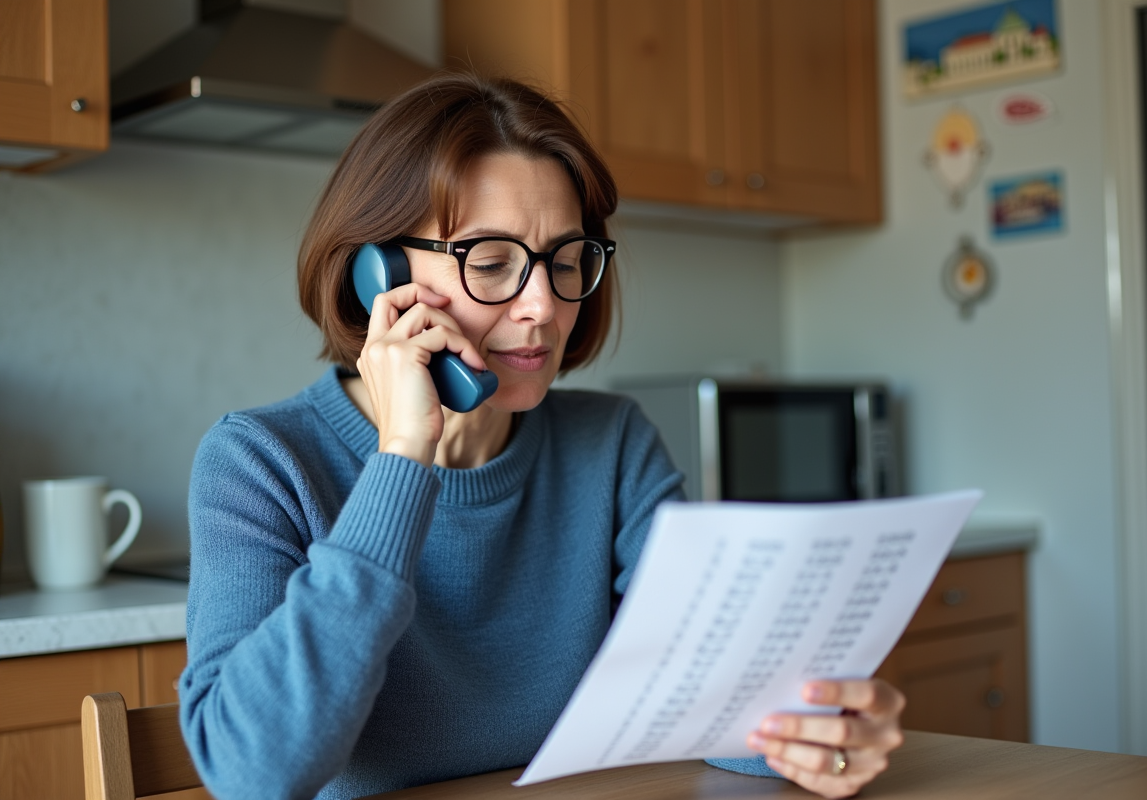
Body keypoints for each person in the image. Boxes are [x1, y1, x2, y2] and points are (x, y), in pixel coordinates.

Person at [179, 72, 905, 800]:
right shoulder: (259, 462)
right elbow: (253, 776)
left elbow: (718, 702)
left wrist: (815, 737)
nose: (543, 307)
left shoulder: (610, 446)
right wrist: (403, 456)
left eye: (565, 260)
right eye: (491, 263)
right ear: (379, 277)